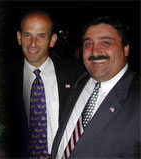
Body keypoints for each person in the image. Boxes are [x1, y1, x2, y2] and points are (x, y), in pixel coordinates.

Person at [51, 15, 140, 158]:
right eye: (88, 44)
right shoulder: (78, 81)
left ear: (126, 49)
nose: (95, 52)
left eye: (105, 43)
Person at [8, 10, 84, 158]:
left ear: (53, 40)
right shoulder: (7, 78)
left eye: (41, 36)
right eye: (27, 35)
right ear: (19, 37)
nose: (33, 43)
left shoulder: (77, 74)